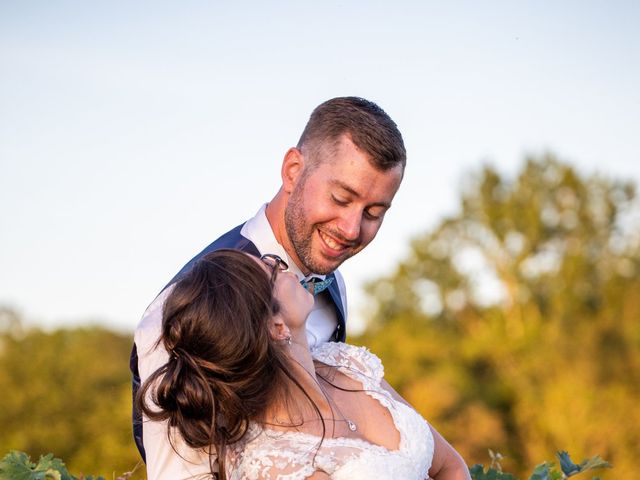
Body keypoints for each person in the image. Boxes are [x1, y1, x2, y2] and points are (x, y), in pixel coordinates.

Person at [131, 96, 407, 478]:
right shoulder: (184, 308)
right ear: (293, 170)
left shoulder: (331, 280)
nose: (351, 230)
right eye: (341, 198)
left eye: (374, 213)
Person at [137, 249, 471, 479]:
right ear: (276, 325)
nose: (281, 264)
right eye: (271, 270)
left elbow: (451, 468)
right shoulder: (278, 462)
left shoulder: (347, 363)